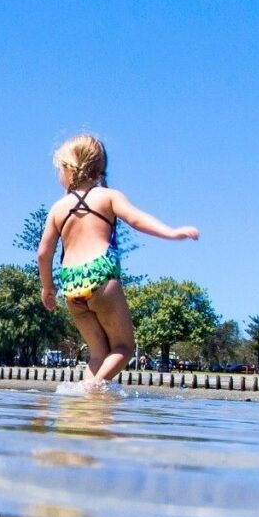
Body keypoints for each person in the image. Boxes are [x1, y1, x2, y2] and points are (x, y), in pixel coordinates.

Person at [35, 133, 198, 390]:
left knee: (99, 354)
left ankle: (83, 410)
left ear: (69, 169)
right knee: (123, 348)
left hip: (71, 285)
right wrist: (171, 232)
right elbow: (136, 220)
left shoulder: (58, 208)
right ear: (98, 168)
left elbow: (44, 254)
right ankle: (93, 389)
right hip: (101, 276)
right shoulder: (108, 197)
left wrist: (48, 288)